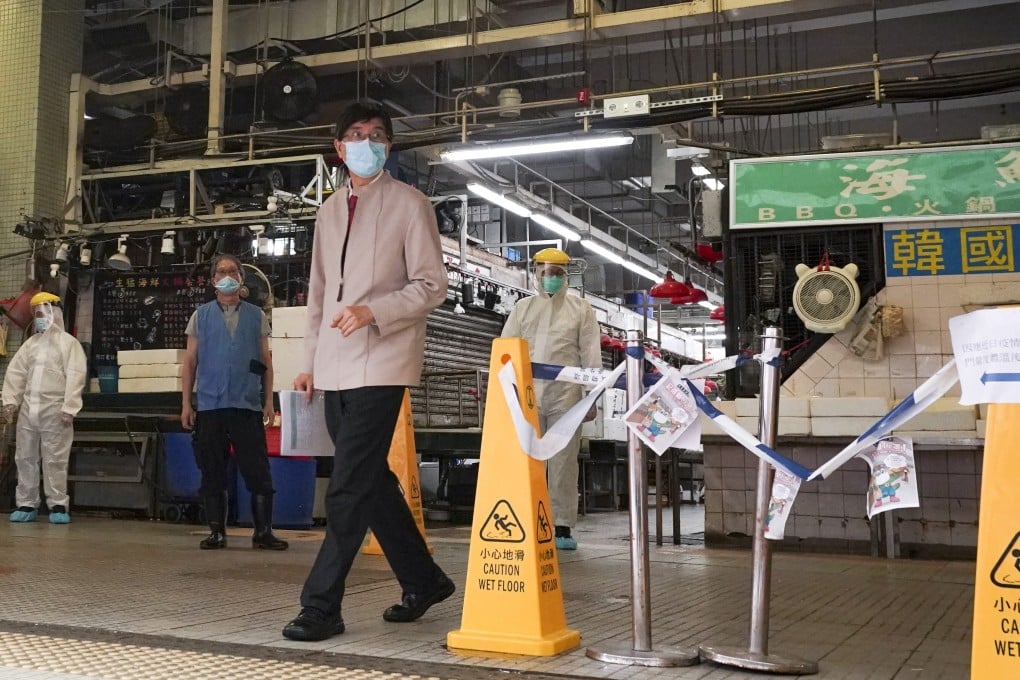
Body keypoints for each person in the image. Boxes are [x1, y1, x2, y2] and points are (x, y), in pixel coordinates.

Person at [282, 102, 452, 642]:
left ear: (389, 147)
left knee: (349, 485)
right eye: (355, 135)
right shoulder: (329, 211)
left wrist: (374, 312)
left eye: (377, 135)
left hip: (383, 358)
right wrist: (307, 363)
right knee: (370, 478)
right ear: (338, 147)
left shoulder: (411, 205)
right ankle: (424, 581)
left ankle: (321, 605)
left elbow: (431, 284)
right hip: (334, 363)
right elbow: (316, 294)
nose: (366, 142)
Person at [180, 253, 288, 551]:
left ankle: (263, 532)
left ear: (241, 278)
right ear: (213, 280)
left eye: (232, 271)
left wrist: (268, 400)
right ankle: (217, 532)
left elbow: (266, 360)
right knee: (212, 470)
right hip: (210, 405)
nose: (226, 275)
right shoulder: (200, 316)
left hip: (247, 404)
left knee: (258, 470)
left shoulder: (256, 316)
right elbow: (190, 362)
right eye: (221, 271)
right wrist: (187, 404)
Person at [501, 248, 601, 550]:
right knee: (526, 459)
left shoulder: (581, 309)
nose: (551, 278)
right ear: (536, 273)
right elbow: (506, 349)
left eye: (557, 273)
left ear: (565, 275)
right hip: (528, 396)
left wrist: (591, 398)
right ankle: (527, 518)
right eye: (545, 272)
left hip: (566, 398)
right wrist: (508, 392)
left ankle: (561, 526)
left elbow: (591, 355)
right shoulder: (522, 308)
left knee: (563, 462)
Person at [2, 292, 87, 524]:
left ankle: (58, 504)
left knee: (55, 458)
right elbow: (16, 374)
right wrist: (11, 401)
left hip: (56, 412)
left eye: (43, 313)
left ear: (55, 312)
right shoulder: (30, 345)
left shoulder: (69, 344)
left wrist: (70, 408)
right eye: (36, 314)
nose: (39, 318)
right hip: (29, 412)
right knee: (25, 457)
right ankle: (26, 503)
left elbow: (76, 376)